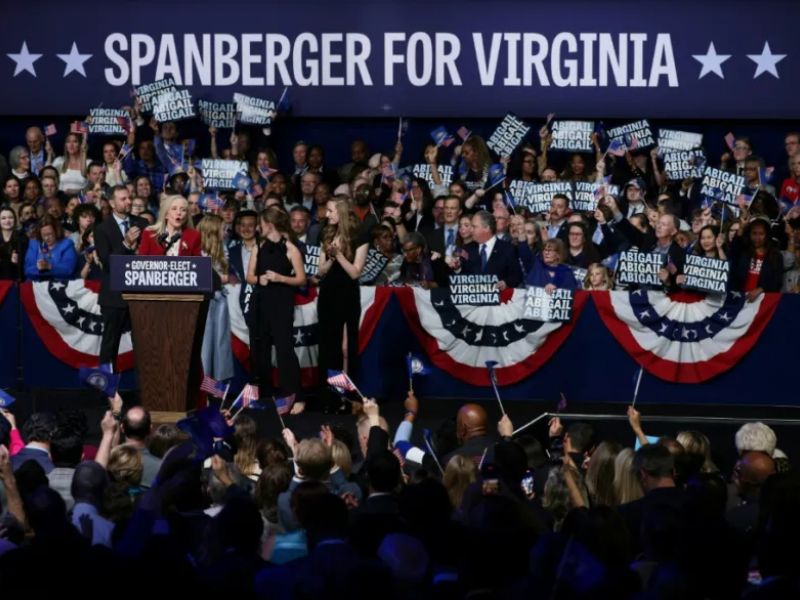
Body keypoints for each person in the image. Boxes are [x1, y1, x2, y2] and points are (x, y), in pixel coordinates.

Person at [246, 208, 306, 408]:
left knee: (284, 349)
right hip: (261, 302)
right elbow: (249, 276)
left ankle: (293, 395)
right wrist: (260, 279)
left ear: (269, 224)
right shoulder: (258, 247)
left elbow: (301, 279)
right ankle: (264, 395)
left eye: (260, 224)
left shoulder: (290, 248)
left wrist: (280, 278)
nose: (257, 228)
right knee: (260, 348)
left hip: (282, 302)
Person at [315, 199, 368, 413]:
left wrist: (339, 256)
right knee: (330, 349)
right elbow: (320, 270)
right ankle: (331, 397)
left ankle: (350, 397)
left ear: (342, 212)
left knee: (347, 348)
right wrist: (329, 258)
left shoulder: (359, 236)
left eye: (330, 210)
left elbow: (356, 272)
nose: (327, 215)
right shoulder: (326, 233)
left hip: (347, 295)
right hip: (328, 294)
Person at [94, 185, 148, 367]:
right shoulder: (102, 229)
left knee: (144, 346)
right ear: (111, 203)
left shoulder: (142, 224)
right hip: (114, 296)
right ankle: (108, 390)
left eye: (129, 198)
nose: (129, 202)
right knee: (110, 345)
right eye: (123, 199)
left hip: (139, 294)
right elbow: (107, 264)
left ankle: (147, 388)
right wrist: (126, 243)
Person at [199, 215, 235, 384]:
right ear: (212, 231)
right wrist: (223, 278)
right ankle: (203, 385)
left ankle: (216, 386)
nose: (226, 231)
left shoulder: (222, 247)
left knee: (220, 343)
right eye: (222, 228)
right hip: (205, 303)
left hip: (220, 302)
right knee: (205, 346)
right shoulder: (198, 251)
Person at [447, 210, 522, 290]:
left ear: (486, 228)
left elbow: (516, 276)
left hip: (499, 299)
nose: (471, 230)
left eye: (474, 227)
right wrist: (457, 268)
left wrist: (505, 282)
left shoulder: (508, 249)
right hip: (473, 300)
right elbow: (461, 279)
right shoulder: (467, 249)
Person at [729, 216, 783, 300]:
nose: (757, 237)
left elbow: (777, 282)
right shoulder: (743, 250)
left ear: (767, 235)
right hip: (738, 299)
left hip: (761, 303)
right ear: (749, 233)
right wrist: (741, 228)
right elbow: (733, 252)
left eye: (761, 233)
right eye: (754, 233)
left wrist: (761, 289)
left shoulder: (776, 256)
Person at [23, 215, 77, 281]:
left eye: (50, 234)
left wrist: (49, 267)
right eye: (44, 235)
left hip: (61, 286)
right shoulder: (34, 244)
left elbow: (68, 270)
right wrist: (43, 269)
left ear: (56, 231)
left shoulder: (67, 244)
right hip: (36, 286)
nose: (46, 238)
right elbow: (28, 270)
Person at [0, 206, 27, 280]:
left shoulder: (22, 237)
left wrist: (19, 260)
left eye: (10, 217)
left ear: (15, 219)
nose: (7, 221)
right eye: (3, 218)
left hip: (16, 278)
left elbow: (26, 261)